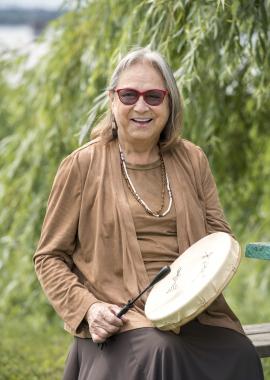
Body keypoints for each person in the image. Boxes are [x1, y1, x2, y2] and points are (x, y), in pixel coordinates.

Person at [34, 47, 264, 380]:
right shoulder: (81, 166)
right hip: (120, 317)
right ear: (113, 101)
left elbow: (219, 236)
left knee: (238, 351)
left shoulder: (192, 159)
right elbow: (48, 257)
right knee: (161, 349)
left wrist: (202, 278)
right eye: (129, 95)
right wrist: (90, 308)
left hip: (190, 311)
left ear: (170, 103)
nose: (140, 106)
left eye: (154, 96)